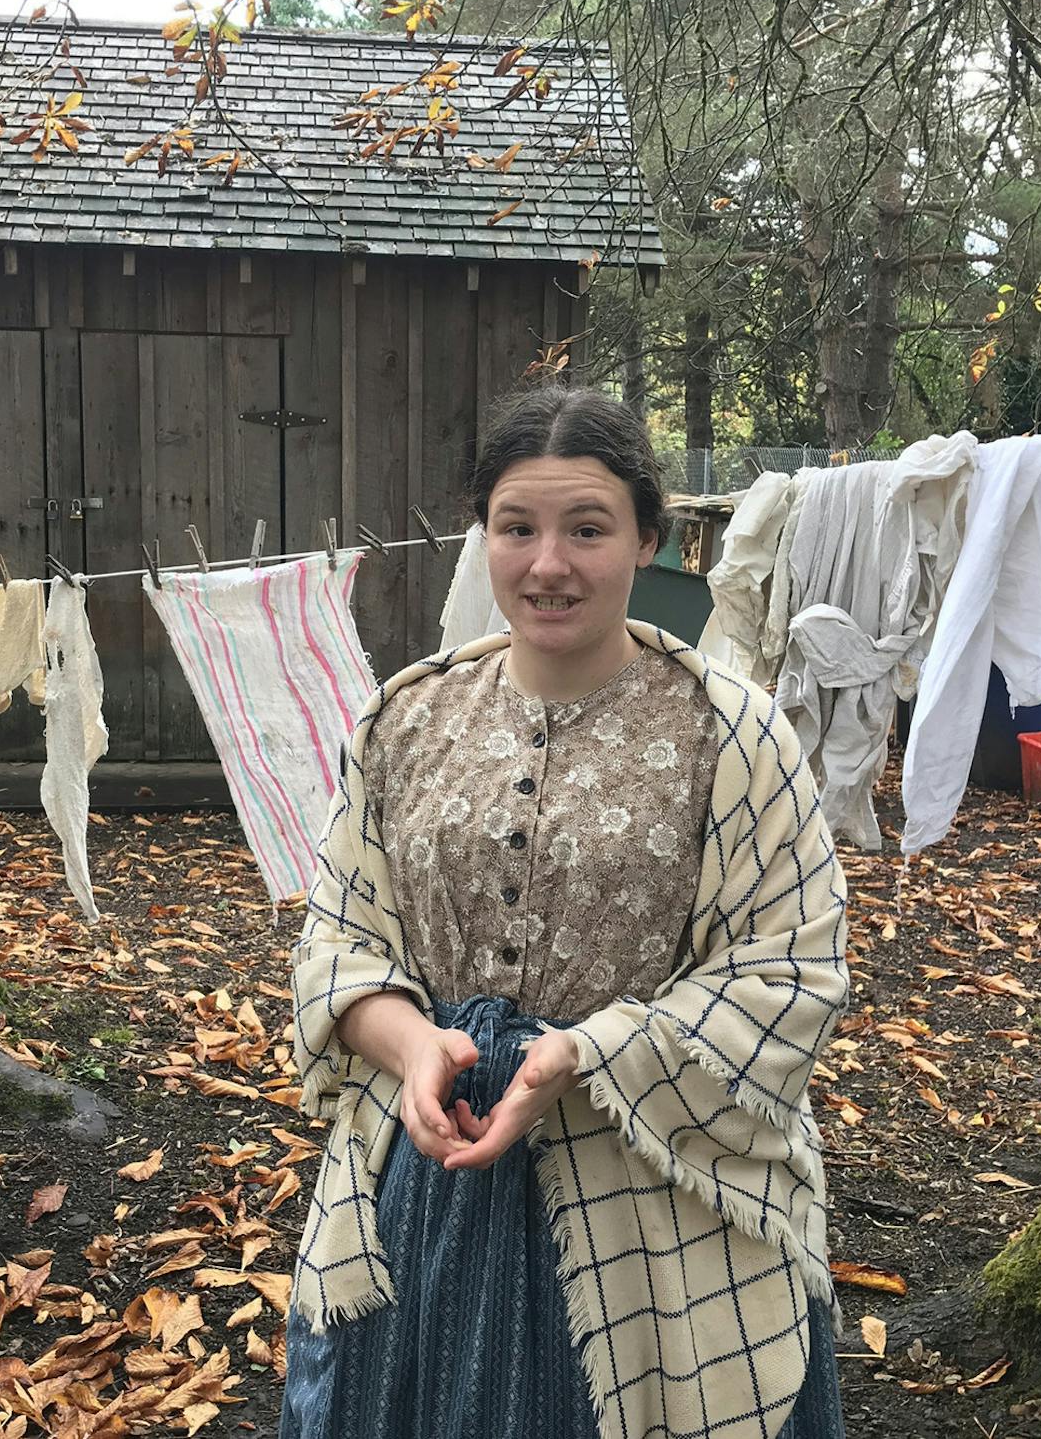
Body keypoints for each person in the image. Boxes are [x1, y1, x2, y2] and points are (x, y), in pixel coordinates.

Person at [283, 387, 850, 1439]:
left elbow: (790, 974)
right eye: (517, 527)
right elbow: (338, 938)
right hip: (430, 1183)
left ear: (649, 538)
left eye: (587, 528)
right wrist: (409, 1044)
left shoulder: (733, 734)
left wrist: (587, 1056)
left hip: (657, 1198)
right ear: (483, 537)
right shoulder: (407, 715)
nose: (549, 563)